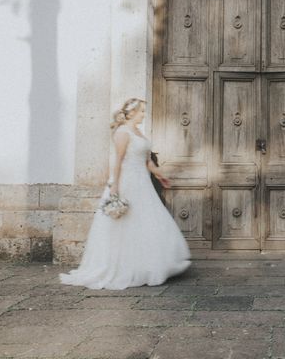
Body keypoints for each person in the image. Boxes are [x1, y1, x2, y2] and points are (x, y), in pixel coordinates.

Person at [60, 98, 191, 289]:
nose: (144, 115)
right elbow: (119, 161)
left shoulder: (140, 133)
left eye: (144, 112)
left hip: (143, 183)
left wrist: (160, 176)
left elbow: (148, 162)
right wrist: (114, 187)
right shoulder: (122, 133)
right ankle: (125, 267)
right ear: (131, 113)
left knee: (147, 221)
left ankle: (150, 264)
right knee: (126, 223)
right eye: (142, 112)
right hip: (127, 182)